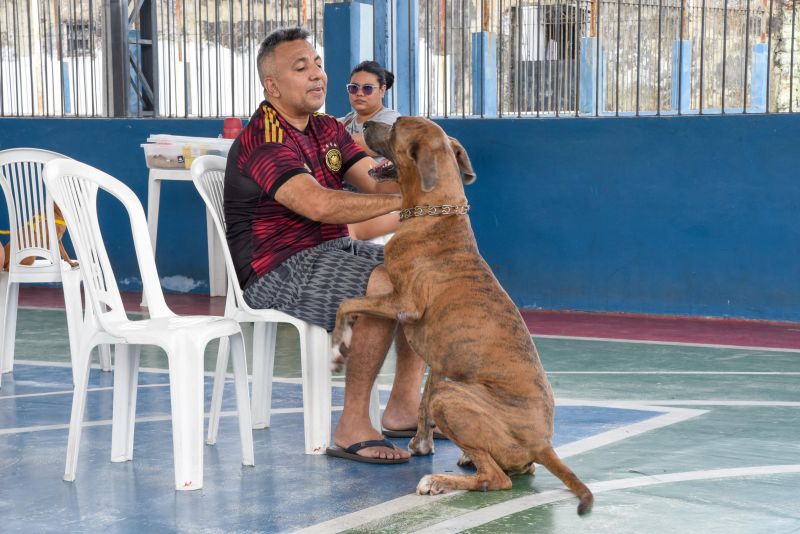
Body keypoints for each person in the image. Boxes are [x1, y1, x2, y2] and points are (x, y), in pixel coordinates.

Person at [224, 27, 425, 463]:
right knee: (387, 284)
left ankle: (404, 407)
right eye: (301, 68)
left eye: (317, 64)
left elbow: (371, 177)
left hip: (331, 254)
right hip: (276, 269)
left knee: (421, 270)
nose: (317, 74)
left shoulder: (328, 128)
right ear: (272, 86)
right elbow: (316, 203)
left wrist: (424, 174)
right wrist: (403, 201)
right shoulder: (264, 137)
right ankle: (352, 422)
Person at [340, 61, 401, 244]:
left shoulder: (391, 120)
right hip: (350, 201)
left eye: (367, 88)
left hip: (382, 203)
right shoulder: (345, 121)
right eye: (353, 88)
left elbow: (360, 144)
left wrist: (328, 140)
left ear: (382, 90)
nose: (359, 93)